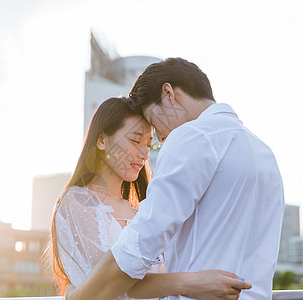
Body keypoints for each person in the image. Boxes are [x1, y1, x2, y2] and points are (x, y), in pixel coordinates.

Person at [65, 58, 285, 300]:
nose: (159, 138)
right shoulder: (265, 154)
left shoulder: (192, 137)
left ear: (169, 94)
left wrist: (79, 297)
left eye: (152, 122)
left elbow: (138, 248)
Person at [50, 96, 251, 300]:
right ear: (102, 140)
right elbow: (109, 285)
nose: (144, 154)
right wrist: (190, 283)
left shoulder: (141, 211)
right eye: (135, 140)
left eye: (148, 145)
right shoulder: (78, 201)